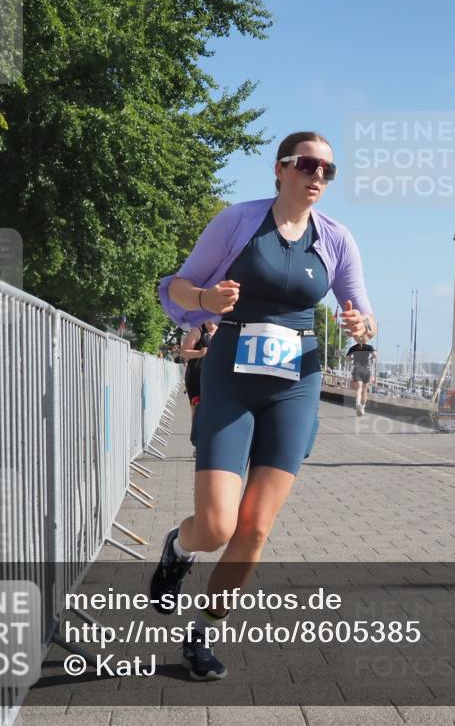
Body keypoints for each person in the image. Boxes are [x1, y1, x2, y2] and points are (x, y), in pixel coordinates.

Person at [153, 131, 375, 681]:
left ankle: (202, 633)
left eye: (328, 169)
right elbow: (178, 285)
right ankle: (179, 549)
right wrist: (205, 299)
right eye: (307, 164)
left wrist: (361, 326)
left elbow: (364, 315)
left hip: (296, 382)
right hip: (231, 373)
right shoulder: (238, 221)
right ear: (280, 169)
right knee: (216, 526)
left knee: (254, 529)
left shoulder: (337, 239)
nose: (317, 176)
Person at [181, 320, 218, 417]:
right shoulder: (197, 331)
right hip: (196, 377)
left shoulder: (223, 332)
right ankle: (196, 432)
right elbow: (183, 352)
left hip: (216, 379)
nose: (211, 319)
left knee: (214, 413)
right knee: (198, 413)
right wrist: (199, 353)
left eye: (214, 316)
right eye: (208, 315)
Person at [346, 340, 376, 416]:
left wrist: (353, 359)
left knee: (359, 388)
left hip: (357, 368)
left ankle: (357, 404)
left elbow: (347, 358)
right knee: (364, 391)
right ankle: (362, 407)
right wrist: (371, 358)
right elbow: (375, 355)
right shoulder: (369, 347)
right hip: (366, 369)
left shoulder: (353, 348)